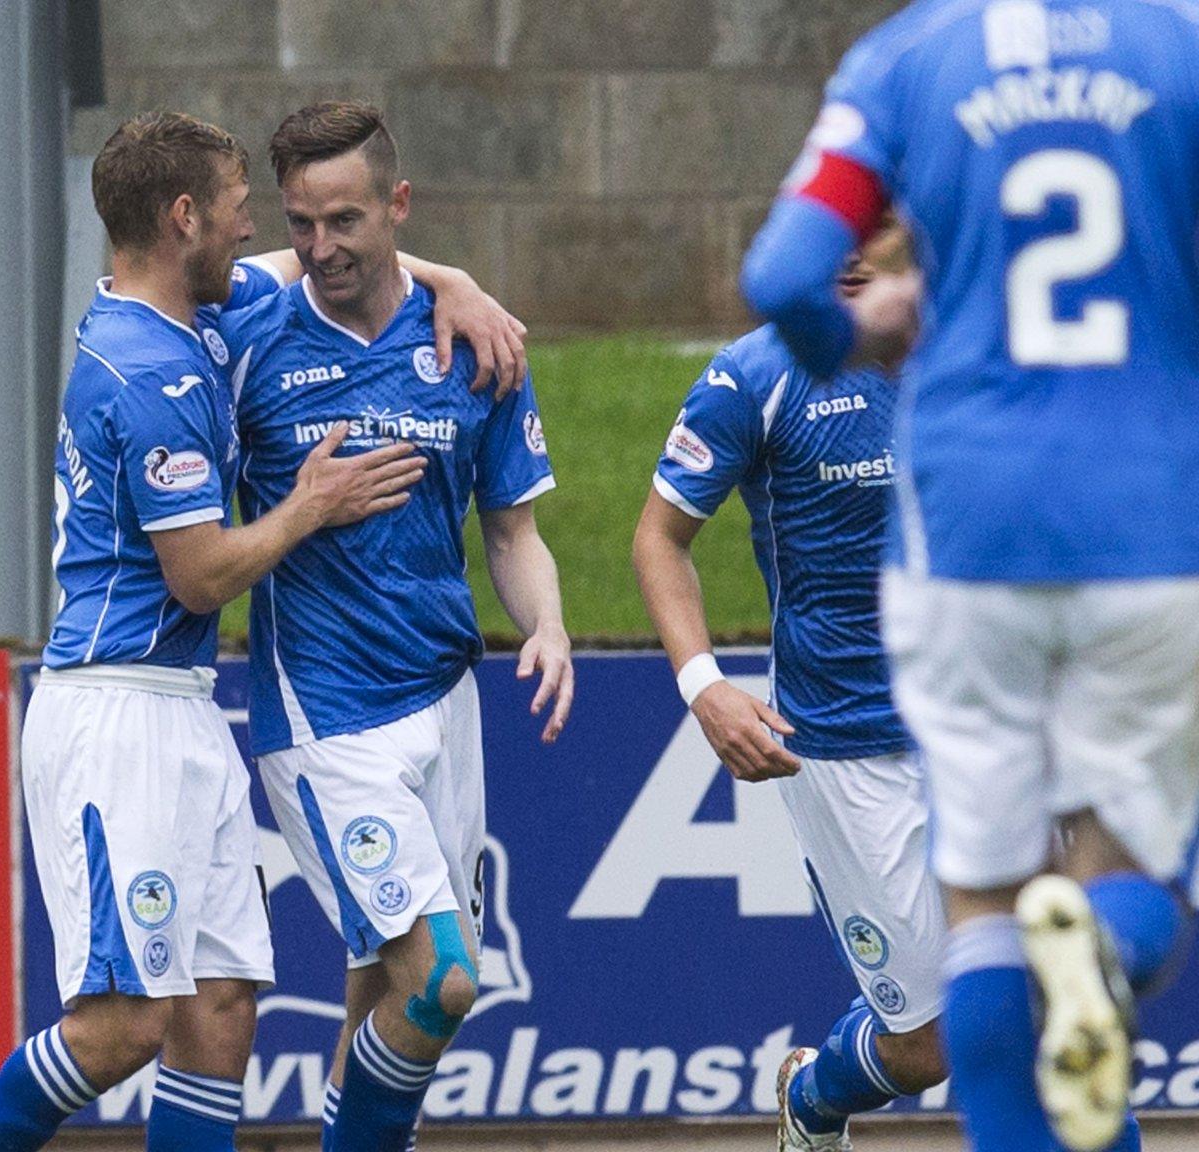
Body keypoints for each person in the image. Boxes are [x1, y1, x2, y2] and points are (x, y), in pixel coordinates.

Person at [0, 110, 524, 1152]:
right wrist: (310, 505)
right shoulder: (154, 374)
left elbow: (328, 260)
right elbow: (198, 575)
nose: (257, 234)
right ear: (182, 220)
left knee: (218, 1019)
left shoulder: (176, 318)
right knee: (119, 1028)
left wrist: (456, 283)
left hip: (182, 711)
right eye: (235, 214)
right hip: (112, 710)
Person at [741, 3, 1199, 1148]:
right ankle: (1101, 945)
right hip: (1145, 516)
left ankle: (1055, 964)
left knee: (983, 907)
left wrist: (868, 331)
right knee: (1122, 869)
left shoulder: (903, 61)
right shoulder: (1181, 45)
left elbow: (786, 273)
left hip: (962, 530)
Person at [219, 101, 573, 1152]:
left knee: (382, 979)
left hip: (441, 698)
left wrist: (546, 626)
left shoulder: (474, 344)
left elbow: (511, 531)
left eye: (344, 221)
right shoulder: (251, 338)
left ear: (396, 206)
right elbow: (145, 302)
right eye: (298, 224)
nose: (320, 248)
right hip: (322, 715)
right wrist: (445, 270)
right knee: (444, 980)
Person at [634, 222, 955, 1151]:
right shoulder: (752, 378)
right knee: (929, 1045)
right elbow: (660, 541)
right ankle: (814, 1097)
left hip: (982, 718)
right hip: (846, 741)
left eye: (873, 229)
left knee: (1059, 986)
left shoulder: (966, 349)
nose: (850, 252)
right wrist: (704, 687)